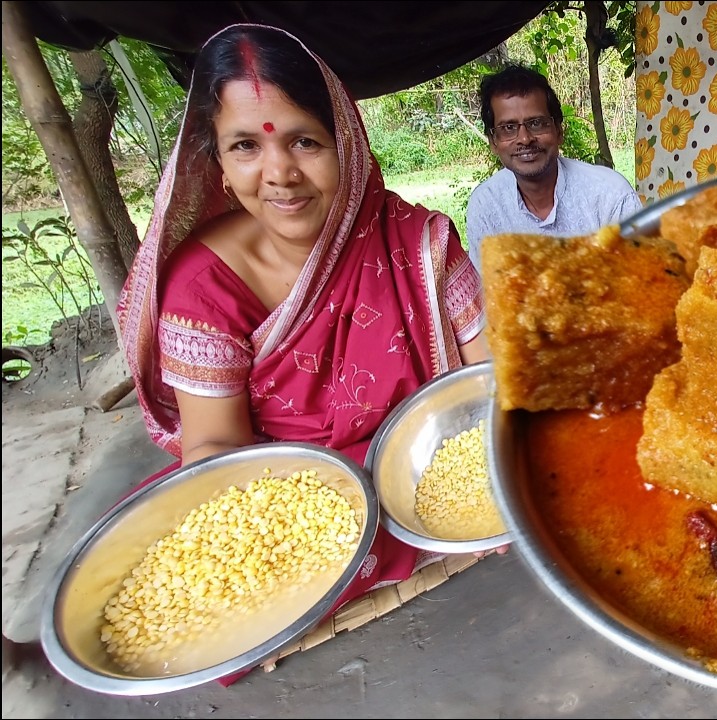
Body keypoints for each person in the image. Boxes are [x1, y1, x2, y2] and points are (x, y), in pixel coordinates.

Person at [117, 24, 494, 679]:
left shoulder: (417, 238)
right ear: (220, 164)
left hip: (424, 465)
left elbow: (493, 383)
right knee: (205, 605)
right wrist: (308, 516)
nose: (280, 174)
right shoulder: (202, 286)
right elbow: (214, 453)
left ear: (344, 142)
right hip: (289, 494)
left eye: (304, 141)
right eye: (245, 147)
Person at [464, 64, 643, 271]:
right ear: (493, 141)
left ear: (559, 131)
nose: (525, 138)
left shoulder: (609, 195)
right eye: (509, 128)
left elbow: (641, 286)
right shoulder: (487, 204)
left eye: (536, 123)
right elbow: (487, 296)